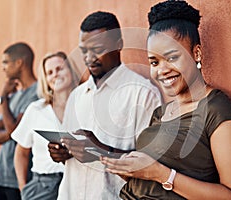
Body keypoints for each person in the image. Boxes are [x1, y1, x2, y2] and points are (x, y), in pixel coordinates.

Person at [101, 1, 231, 199]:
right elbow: (154, 178)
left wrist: (161, 174)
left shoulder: (215, 110)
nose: (162, 70)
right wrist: (133, 172)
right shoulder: (160, 113)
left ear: (196, 53)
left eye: (172, 58)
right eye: (154, 62)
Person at [48, 11, 162, 199]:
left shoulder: (144, 95)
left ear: (119, 44)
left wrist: (99, 150)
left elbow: (150, 165)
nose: (89, 58)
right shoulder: (77, 96)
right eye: (84, 50)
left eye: (97, 49)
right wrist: (62, 153)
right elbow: (71, 147)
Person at [11, 52, 79, 200]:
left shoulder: (85, 105)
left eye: (60, 68)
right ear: (46, 80)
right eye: (49, 72)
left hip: (78, 184)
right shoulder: (36, 109)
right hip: (42, 187)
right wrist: (23, 189)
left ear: (71, 71)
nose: (55, 74)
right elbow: (21, 153)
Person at [0, 42, 38, 200]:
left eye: (6, 62)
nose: (3, 67)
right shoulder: (14, 95)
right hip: (1, 176)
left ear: (19, 63)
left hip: (19, 179)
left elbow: (14, 131)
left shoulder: (36, 94)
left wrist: (3, 97)